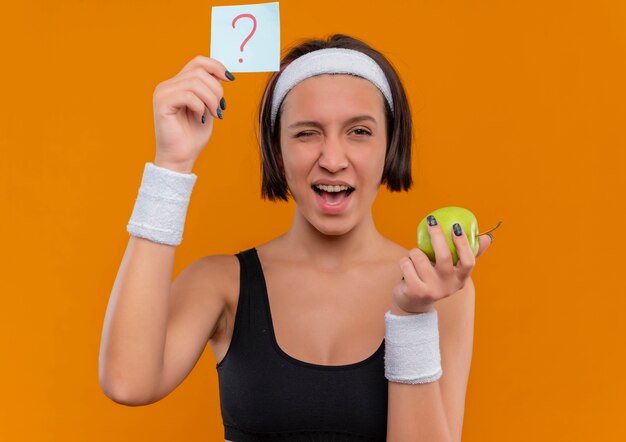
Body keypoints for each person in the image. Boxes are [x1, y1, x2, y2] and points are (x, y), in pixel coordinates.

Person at [99, 34, 493, 442]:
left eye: (359, 131)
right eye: (307, 133)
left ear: (390, 143)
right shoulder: (221, 283)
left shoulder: (440, 291)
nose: (333, 160)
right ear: (277, 147)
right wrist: (172, 165)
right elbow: (128, 382)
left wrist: (412, 318)